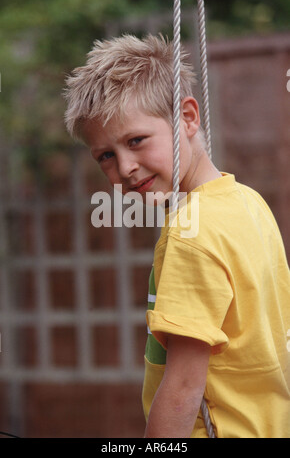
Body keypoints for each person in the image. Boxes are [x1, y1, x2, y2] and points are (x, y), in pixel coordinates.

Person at [63, 34, 290, 438]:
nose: (126, 168)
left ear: (187, 117)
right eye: (106, 156)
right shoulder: (247, 202)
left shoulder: (190, 236)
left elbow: (184, 388)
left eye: (136, 141)